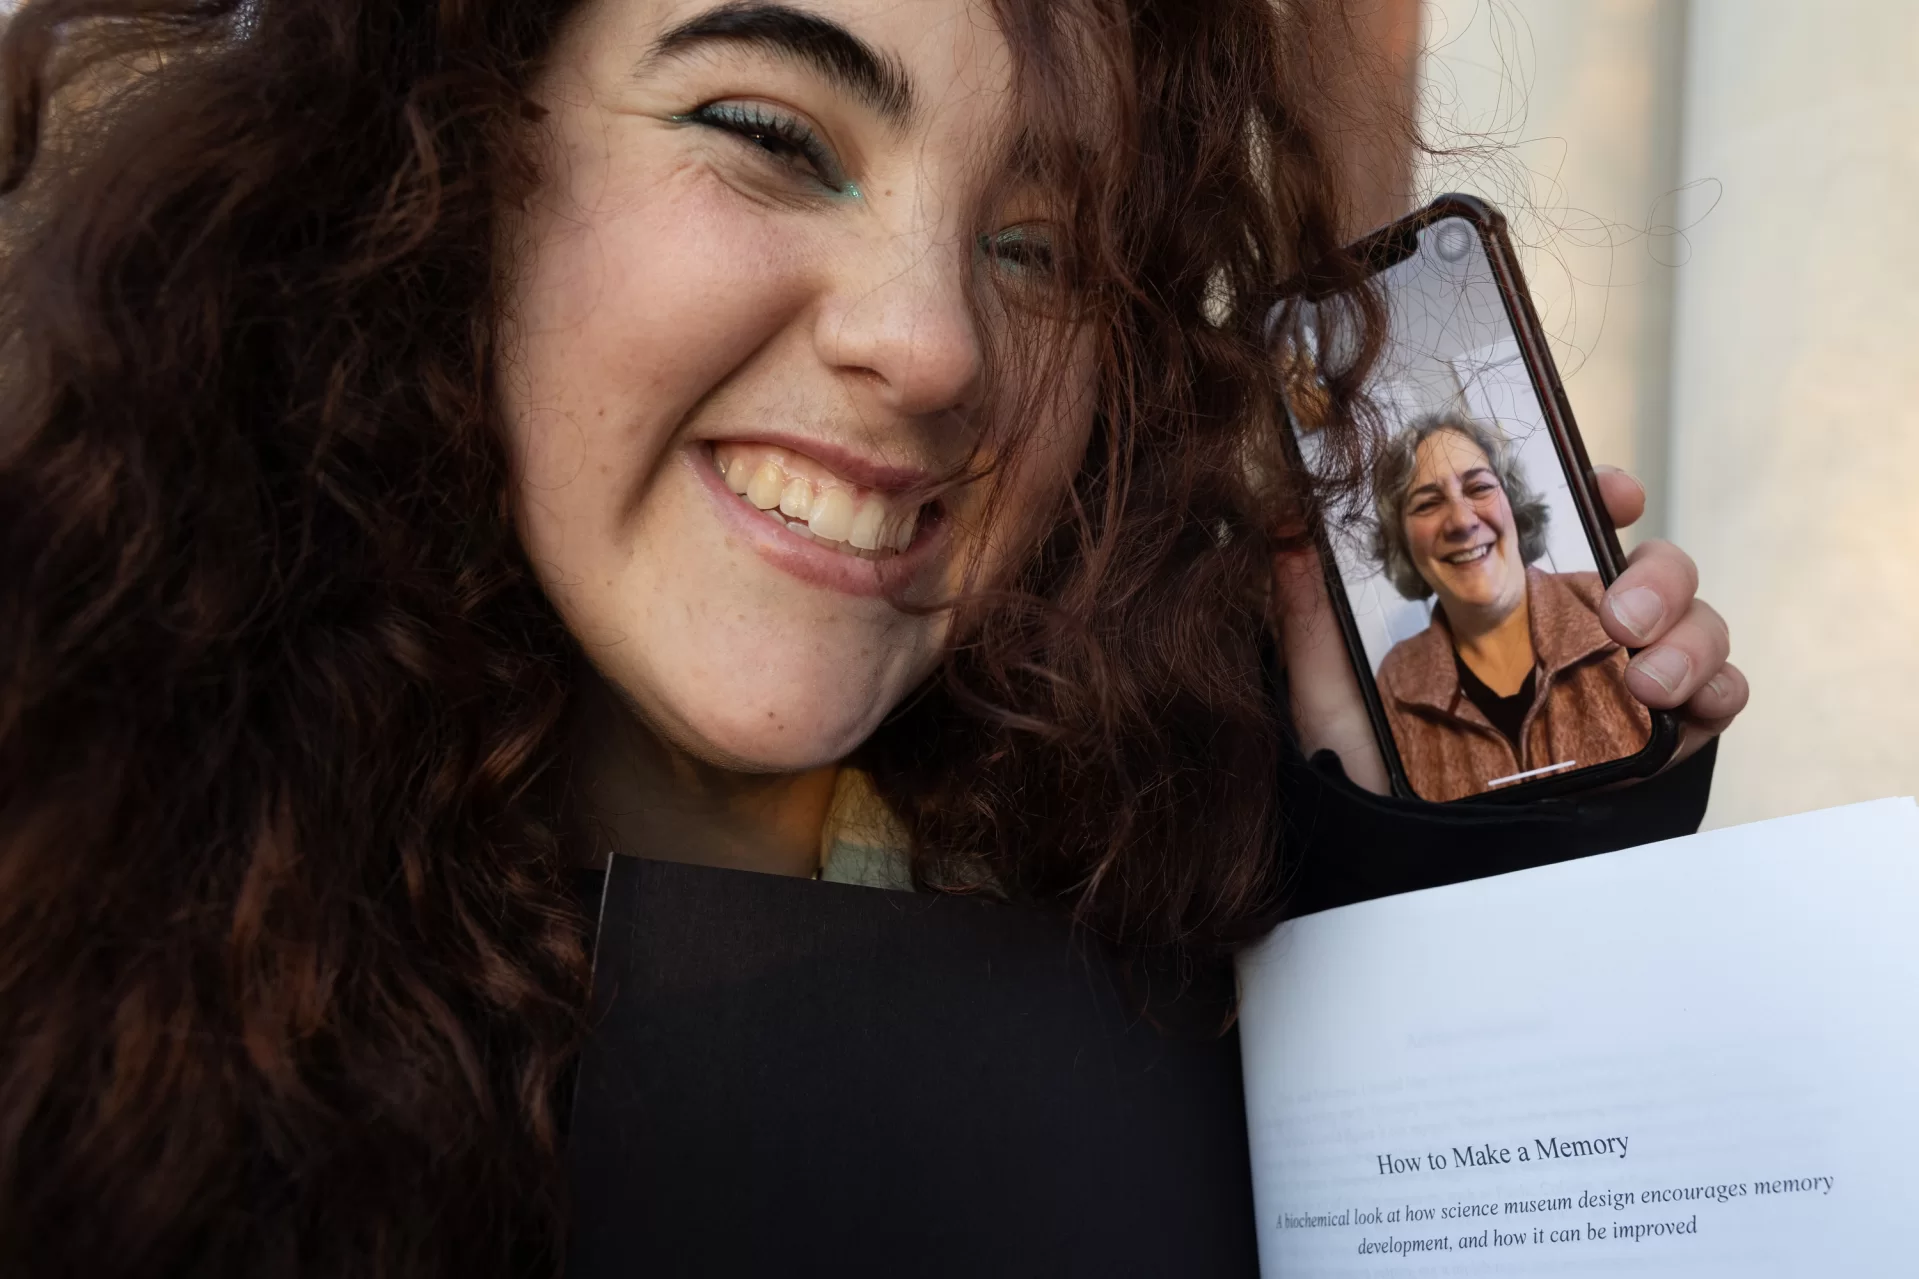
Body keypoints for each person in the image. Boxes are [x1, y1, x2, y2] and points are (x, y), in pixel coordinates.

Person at [0, 0, 1747, 1274]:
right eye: (770, 137)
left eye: (1038, 243)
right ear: (448, 164)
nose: (929, 343)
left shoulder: (1194, 917)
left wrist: (1443, 858)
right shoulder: (65, 915)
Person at [1368, 413, 1659, 800]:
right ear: (1402, 543)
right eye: (1427, 504)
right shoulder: (1397, 680)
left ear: (1514, 506)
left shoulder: (1608, 605)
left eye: (1479, 487)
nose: (1461, 520)